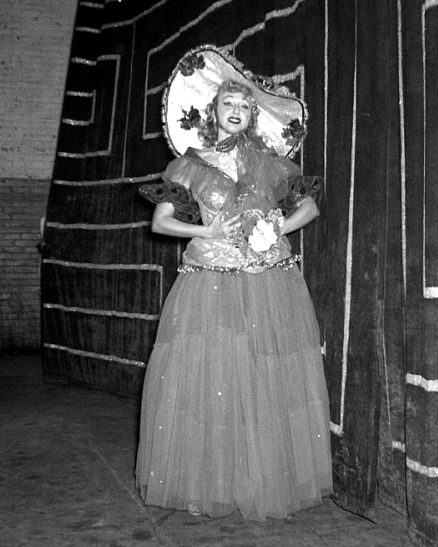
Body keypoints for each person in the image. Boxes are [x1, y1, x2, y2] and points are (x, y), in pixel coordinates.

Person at [135, 45, 333, 521]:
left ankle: (265, 480)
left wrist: (277, 227)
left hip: (269, 282)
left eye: (245, 105)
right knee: (215, 378)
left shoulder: (276, 166)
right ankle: (215, 481)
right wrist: (208, 229)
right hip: (210, 280)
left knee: (267, 378)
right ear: (214, 111)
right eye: (229, 103)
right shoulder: (190, 163)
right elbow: (162, 223)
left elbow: (310, 206)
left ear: (252, 113)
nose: (237, 111)